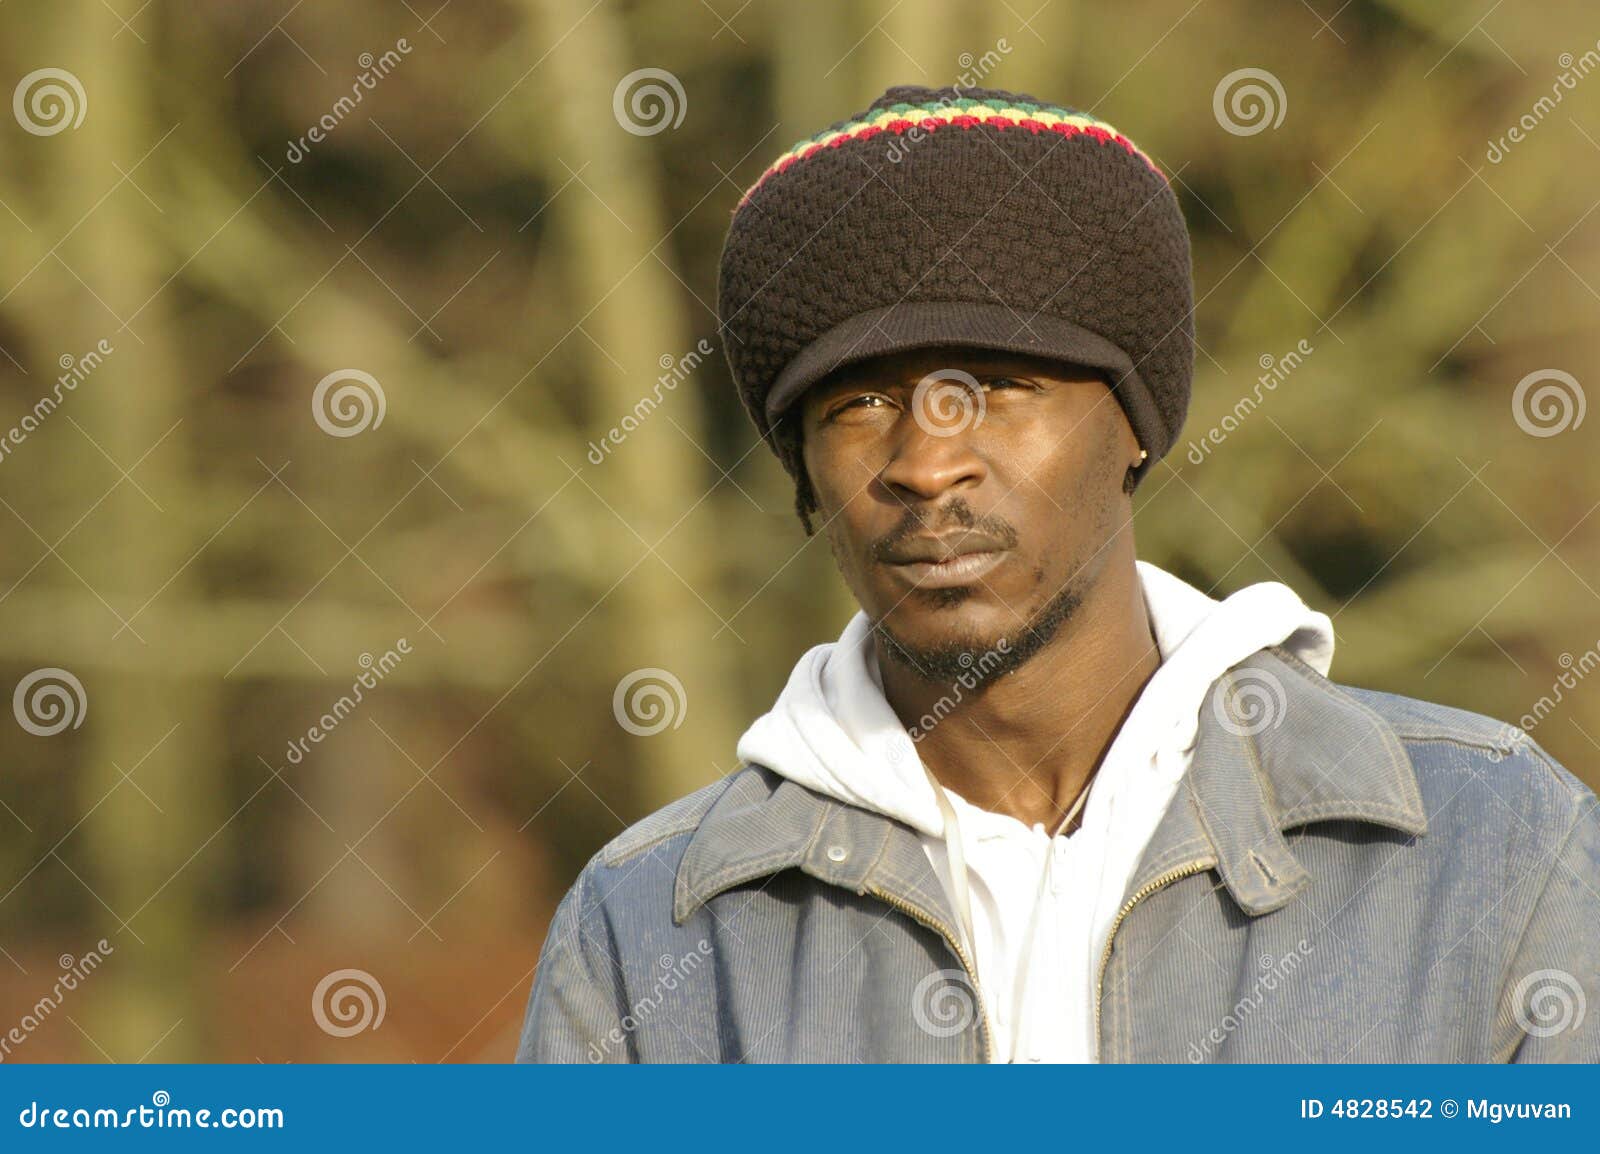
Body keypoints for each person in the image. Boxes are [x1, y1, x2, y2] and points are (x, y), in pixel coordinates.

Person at [516, 84, 1599, 1063]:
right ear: (802, 474)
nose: (925, 461)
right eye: (857, 402)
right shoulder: (645, 930)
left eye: (997, 383)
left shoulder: (1495, 846)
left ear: (1134, 424)